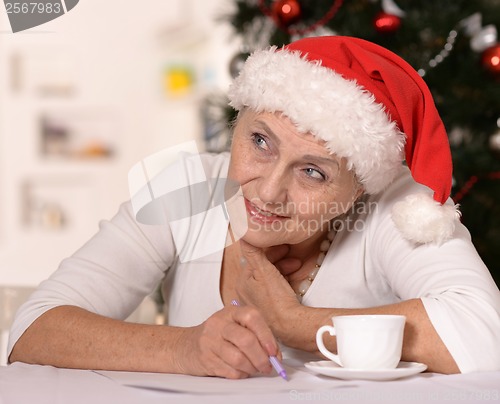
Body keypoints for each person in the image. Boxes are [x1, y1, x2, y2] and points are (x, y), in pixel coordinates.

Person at [7, 36, 500, 378]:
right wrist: (185, 349)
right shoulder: (190, 186)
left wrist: (297, 324)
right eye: (260, 141)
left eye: (313, 171)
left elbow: (487, 336)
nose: (266, 192)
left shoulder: (395, 206)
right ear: (236, 125)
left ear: (360, 189)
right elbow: (30, 332)